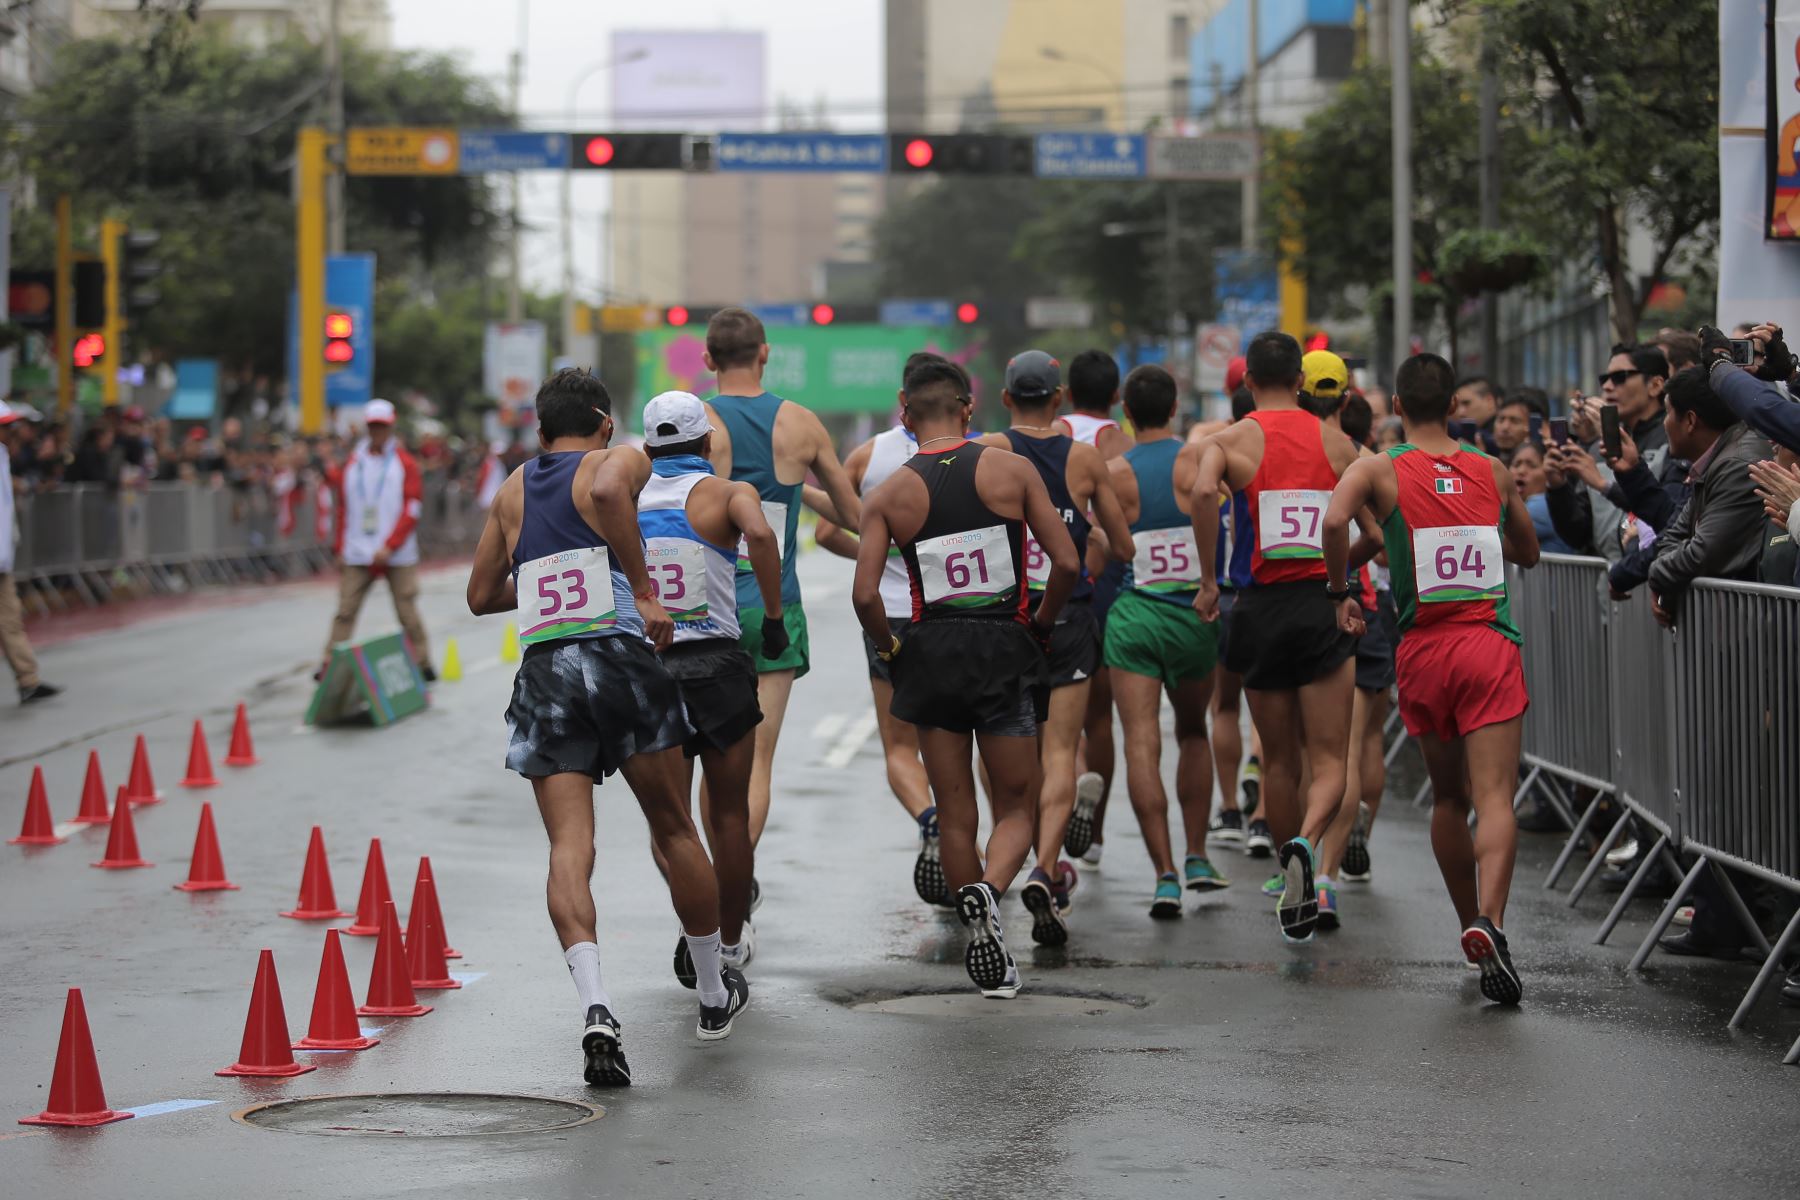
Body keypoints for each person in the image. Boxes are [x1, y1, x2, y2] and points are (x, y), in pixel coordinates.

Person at [464, 369, 746, 1085]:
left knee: (568, 844)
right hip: (618, 657)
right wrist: (644, 590)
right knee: (675, 827)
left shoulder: (511, 491)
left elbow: (478, 596)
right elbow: (611, 493)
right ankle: (714, 994)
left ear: (538, 428)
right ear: (602, 421)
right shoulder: (616, 460)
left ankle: (596, 1007)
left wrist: (539, 575)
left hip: (548, 670)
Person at [851, 358, 1077, 997]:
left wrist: (892, 649)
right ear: (969, 408)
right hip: (1007, 643)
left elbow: (866, 594)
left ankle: (973, 914)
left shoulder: (888, 494)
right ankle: (990, 891)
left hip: (931, 651)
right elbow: (1066, 560)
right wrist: (1040, 624)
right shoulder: (1010, 470)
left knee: (955, 814)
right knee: (1017, 806)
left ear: (905, 414)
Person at [1322, 352, 1540, 1004]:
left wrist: (1340, 588)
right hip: (1487, 646)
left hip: (1424, 653)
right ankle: (1491, 922)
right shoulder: (1492, 470)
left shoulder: (1379, 470)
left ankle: (1468, 926)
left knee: (1449, 799)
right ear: (1453, 406)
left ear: (1397, 402)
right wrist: (1482, 529)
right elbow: (1526, 549)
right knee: (1496, 796)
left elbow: (1335, 522)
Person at [1191, 332, 1365, 944]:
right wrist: (1342, 581)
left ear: (1246, 384)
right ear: (1298, 379)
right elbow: (1371, 522)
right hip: (1319, 606)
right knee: (1329, 761)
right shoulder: (1337, 442)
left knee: (1279, 760)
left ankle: (1290, 865)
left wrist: (1210, 579)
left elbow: (1198, 492)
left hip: (1257, 610)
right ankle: (1308, 853)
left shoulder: (1231, 440)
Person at [699, 308, 863, 907]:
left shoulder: (697, 424)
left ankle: (713, 889)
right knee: (757, 761)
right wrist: (798, 489)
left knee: (710, 757)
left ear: (708, 359)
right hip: (773, 610)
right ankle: (732, 890)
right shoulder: (800, 424)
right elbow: (853, 516)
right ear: (764, 354)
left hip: (705, 609)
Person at [977, 350, 1134, 944]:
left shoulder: (989, 448)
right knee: (1064, 752)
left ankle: (1005, 859)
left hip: (1006, 619)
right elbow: (1123, 547)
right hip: (1067, 617)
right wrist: (1087, 532)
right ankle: (1046, 864)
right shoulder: (1086, 458)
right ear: (1060, 398)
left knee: (1007, 749)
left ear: (1008, 397)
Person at [637, 391, 785, 984]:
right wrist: (772, 617)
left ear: (648, 448)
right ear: (706, 443)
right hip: (719, 667)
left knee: (670, 822)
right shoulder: (728, 494)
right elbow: (763, 537)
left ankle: (692, 925)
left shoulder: (629, 496)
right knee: (729, 815)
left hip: (653, 670)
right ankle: (726, 941)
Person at [810, 353, 956, 906]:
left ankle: (931, 817)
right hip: (959, 615)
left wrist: (880, 555)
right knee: (969, 739)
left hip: (891, 614)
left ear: (904, 403)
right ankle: (981, 852)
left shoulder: (870, 456)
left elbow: (826, 533)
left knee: (900, 747)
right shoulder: (982, 452)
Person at [1105, 364, 1230, 918]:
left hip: (1135, 618)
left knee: (1140, 743)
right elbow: (1221, 508)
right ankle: (1198, 853)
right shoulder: (1198, 461)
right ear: (1176, 406)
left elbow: (1101, 548)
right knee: (1192, 730)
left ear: (1125, 413)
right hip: (1194, 618)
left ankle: (1165, 875)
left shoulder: (1113, 473)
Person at [1057, 349, 1129, 868]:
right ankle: (1096, 834)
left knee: (1052, 711)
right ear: (1117, 396)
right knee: (1100, 714)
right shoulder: (1118, 442)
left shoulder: (1050, 431)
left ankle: (1061, 808)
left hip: (1056, 575)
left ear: (1065, 392)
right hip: (1109, 580)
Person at [1643, 367, 1774, 623]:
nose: (1663, 423)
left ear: (1690, 421)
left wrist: (1656, 573)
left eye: (1668, 413)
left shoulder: (1736, 465)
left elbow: (1702, 554)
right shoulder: (1716, 461)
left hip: (1748, 636)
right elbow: (1673, 537)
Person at [318, 399, 433, 682]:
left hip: (397, 552)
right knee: (345, 610)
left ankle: (422, 662)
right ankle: (329, 664)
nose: (377, 431)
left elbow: (412, 508)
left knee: (406, 610)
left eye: (382, 426)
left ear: (391, 426)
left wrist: (390, 545)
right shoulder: (353, 463)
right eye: (373, 426)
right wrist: (339, 547)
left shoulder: (404, 463)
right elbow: (343, 507)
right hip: (358, 550)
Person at [1204, 385, 1267, 858]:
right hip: (1266, 596)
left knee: (1224, 706)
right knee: (1270, 709)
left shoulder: (1219, 452)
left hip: (1228, 596)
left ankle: (1227, 810)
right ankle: (1263, 817)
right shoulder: (1278, 461)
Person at [0, 403, 59, 703]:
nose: (12, 432)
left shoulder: (4, 458)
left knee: (10, 620)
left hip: (1, 561)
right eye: (5, 426)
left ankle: (28, 681)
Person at [1510, 443, 1573, 554]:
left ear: (1549, 472)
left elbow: (1493, 533)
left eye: (1532, 466)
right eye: (1516, 464)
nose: (1521, 471)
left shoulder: (1543, 505)